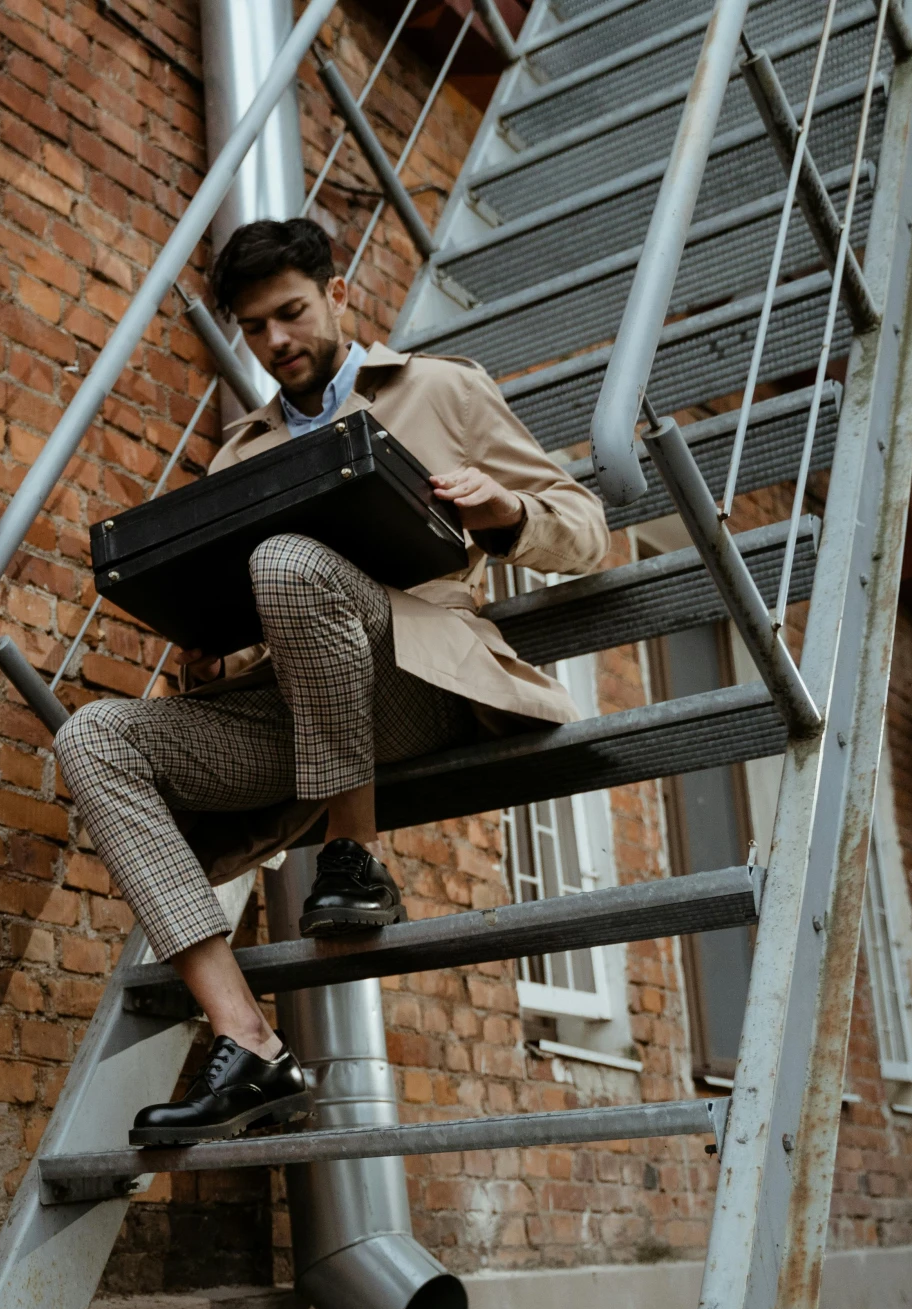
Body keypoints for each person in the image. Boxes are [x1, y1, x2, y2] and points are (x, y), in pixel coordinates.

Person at [51, 217, 609, 1148]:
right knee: (92, 737)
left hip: (418, 678)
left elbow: (585, 524)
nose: (278, 342)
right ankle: (248, 1038)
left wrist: (508, 509)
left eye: (293, 313)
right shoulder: (238, 453)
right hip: (295, 707)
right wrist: (206, 641)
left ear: (338, 294)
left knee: (288, 561)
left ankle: (353, 857)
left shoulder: (442, 388)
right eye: (256, 328)